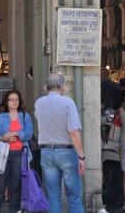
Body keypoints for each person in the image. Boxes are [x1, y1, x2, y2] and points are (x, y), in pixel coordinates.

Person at [34, 73, 86, 213]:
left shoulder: (39, 103)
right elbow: (73, 132)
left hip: (46, 152)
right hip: (66, 151)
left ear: (46, 87)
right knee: (74, 196)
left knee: (53, 196)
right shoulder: (68, 103)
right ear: (62, 87)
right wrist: (81, 156)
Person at [0, 91, 33, 213]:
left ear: (19, 101)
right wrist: (4, 137)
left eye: (16, 99)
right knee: (0, 186)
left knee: (16, 186)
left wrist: (16, 134)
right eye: (11, 99)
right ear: (6, 102)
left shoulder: (25, 116)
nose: (14, 102)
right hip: (4, 154)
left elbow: (29, 134)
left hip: (19, 154)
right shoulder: (0, 117)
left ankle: (14, 210)